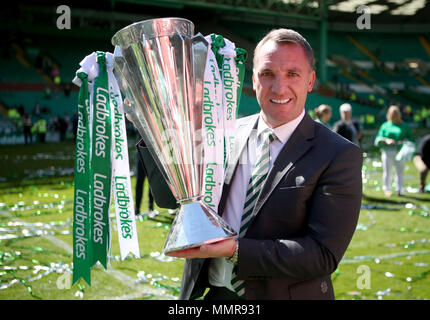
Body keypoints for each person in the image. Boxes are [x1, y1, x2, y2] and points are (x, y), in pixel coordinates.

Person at [137, 28, 363, 300]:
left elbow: (321, 255)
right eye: (267, 74)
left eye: (292, 74)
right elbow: (171, 199)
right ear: (253, 79)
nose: (279, 87)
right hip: (215, 295)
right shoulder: (222, 135)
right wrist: (152, 121)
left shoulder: (338, 154)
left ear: (310, 80)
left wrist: (235, 249)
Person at [375, 105, 414, 196]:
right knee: (387, 171)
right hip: (387, 151)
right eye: (392, 114)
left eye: (396, 114)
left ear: (399, 115)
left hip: (400, 151)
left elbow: (411, 139)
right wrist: (386, 140)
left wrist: (403, 142)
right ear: (389, 115)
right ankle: (387, 188)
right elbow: (378, 139)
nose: (394, 116)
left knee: (400, 171)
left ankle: (399, 189)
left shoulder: (404, 126)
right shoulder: (385, 125)